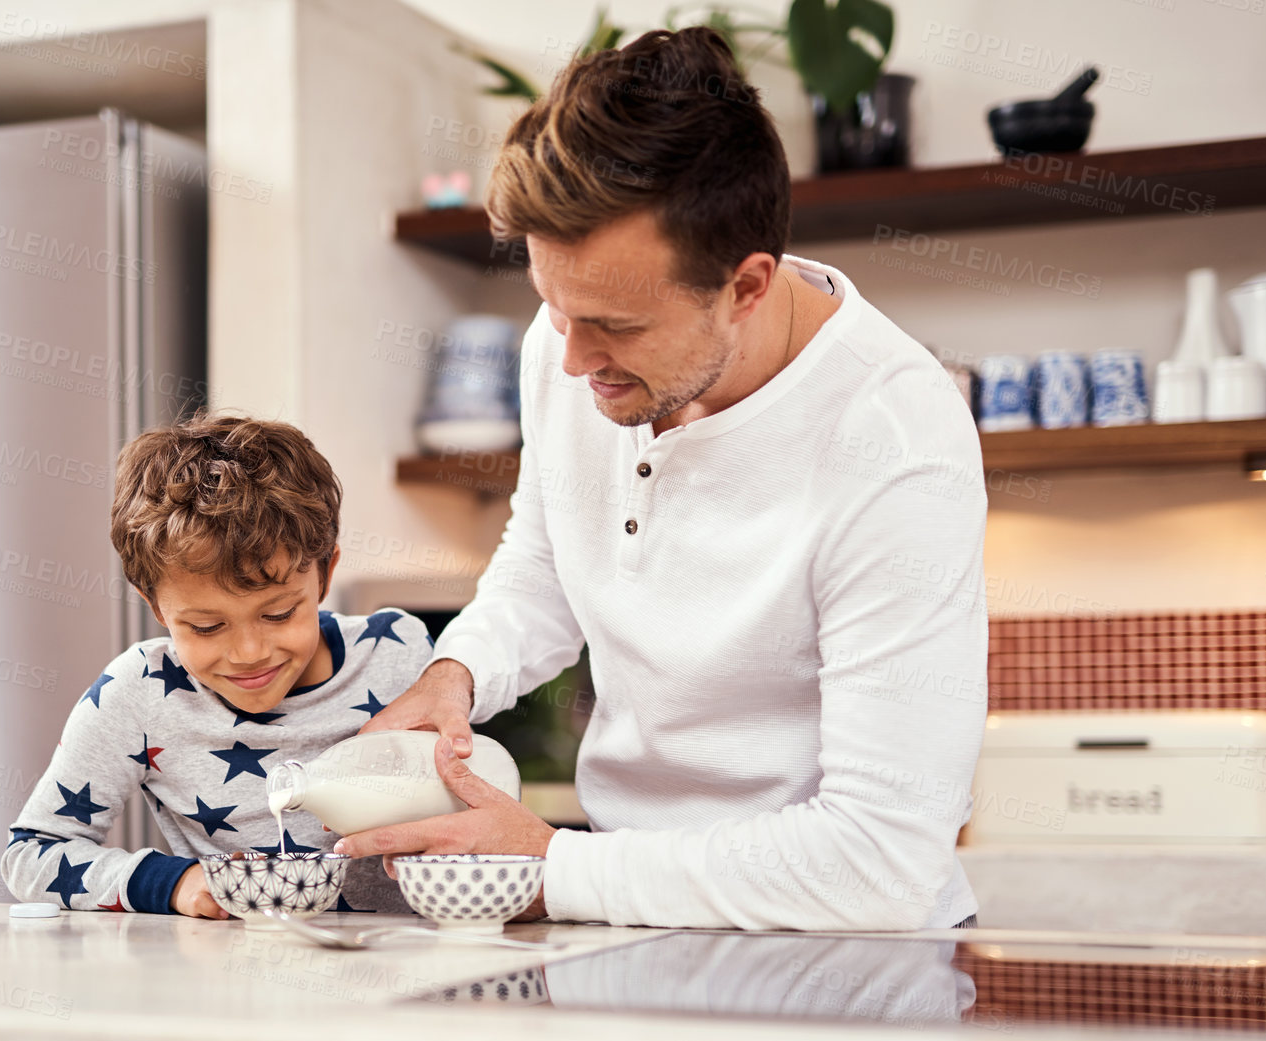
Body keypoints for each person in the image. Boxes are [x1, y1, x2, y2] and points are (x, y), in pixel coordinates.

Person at [336, 28, 987, 932]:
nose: (568, 360)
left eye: (614, 325)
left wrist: (552, 865)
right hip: (625, 921)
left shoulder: (893, 439)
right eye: (550, 306)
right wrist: (457, 673)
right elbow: (546, 553)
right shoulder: (570, 339)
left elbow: (883, 865)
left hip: (841, 963)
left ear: (747, 284)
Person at [2, 416, 432, 916]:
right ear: (156, 607)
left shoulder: (397, 652)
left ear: (325, 572)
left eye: (278, 613)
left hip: (408, 968)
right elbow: (31, 853)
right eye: (206, 627)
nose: (248, 652)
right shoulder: (139, 694)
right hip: (236, 977)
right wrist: (173, 882)